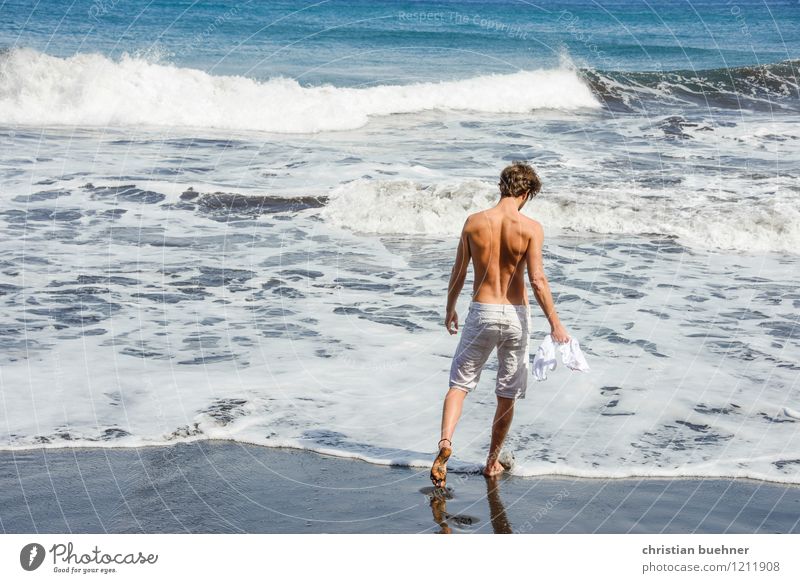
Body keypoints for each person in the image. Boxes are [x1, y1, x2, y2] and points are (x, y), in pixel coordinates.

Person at [430, 161, 571, 489]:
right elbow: (537, 279)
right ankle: (492, 462)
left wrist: (450, 309)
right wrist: (556, 324)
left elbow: (459, 272)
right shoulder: (531, 228)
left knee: (459, 385)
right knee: (506, 394)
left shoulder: (474, 222)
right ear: (526, 193)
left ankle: (445, 444)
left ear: (502, 187)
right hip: (515, 316)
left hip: (481, 311)